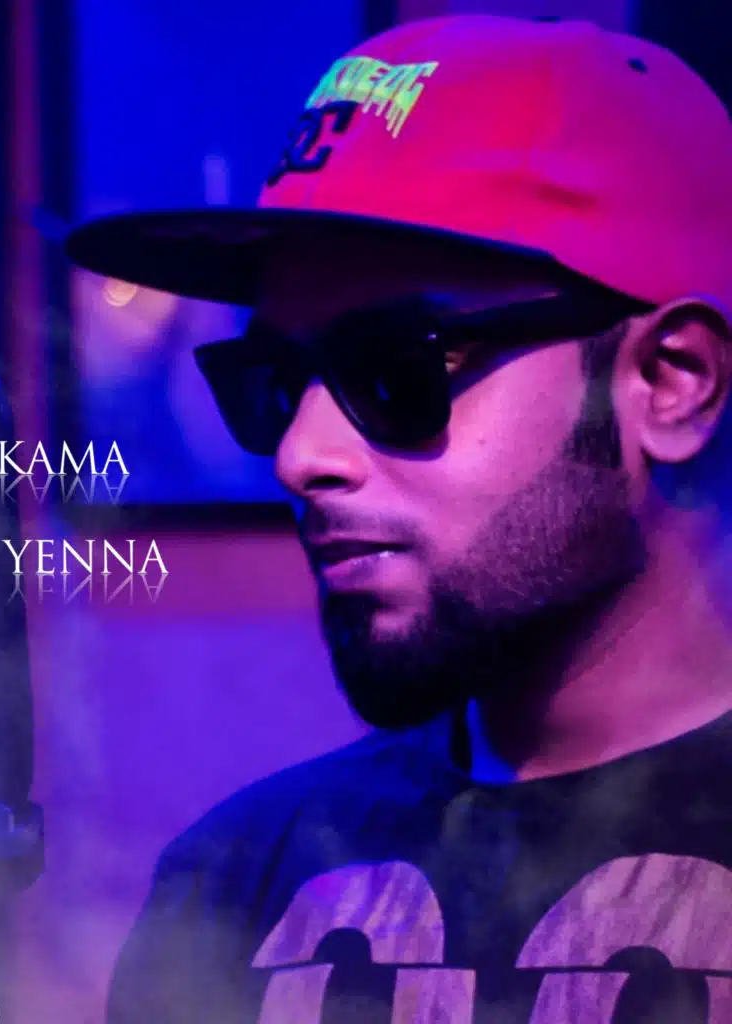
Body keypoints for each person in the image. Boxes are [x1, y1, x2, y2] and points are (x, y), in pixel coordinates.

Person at [66, 13, 732, 1023]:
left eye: (401, 367)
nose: (301, 455)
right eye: (272, 380)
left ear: (670, 383)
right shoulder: (233, 882)